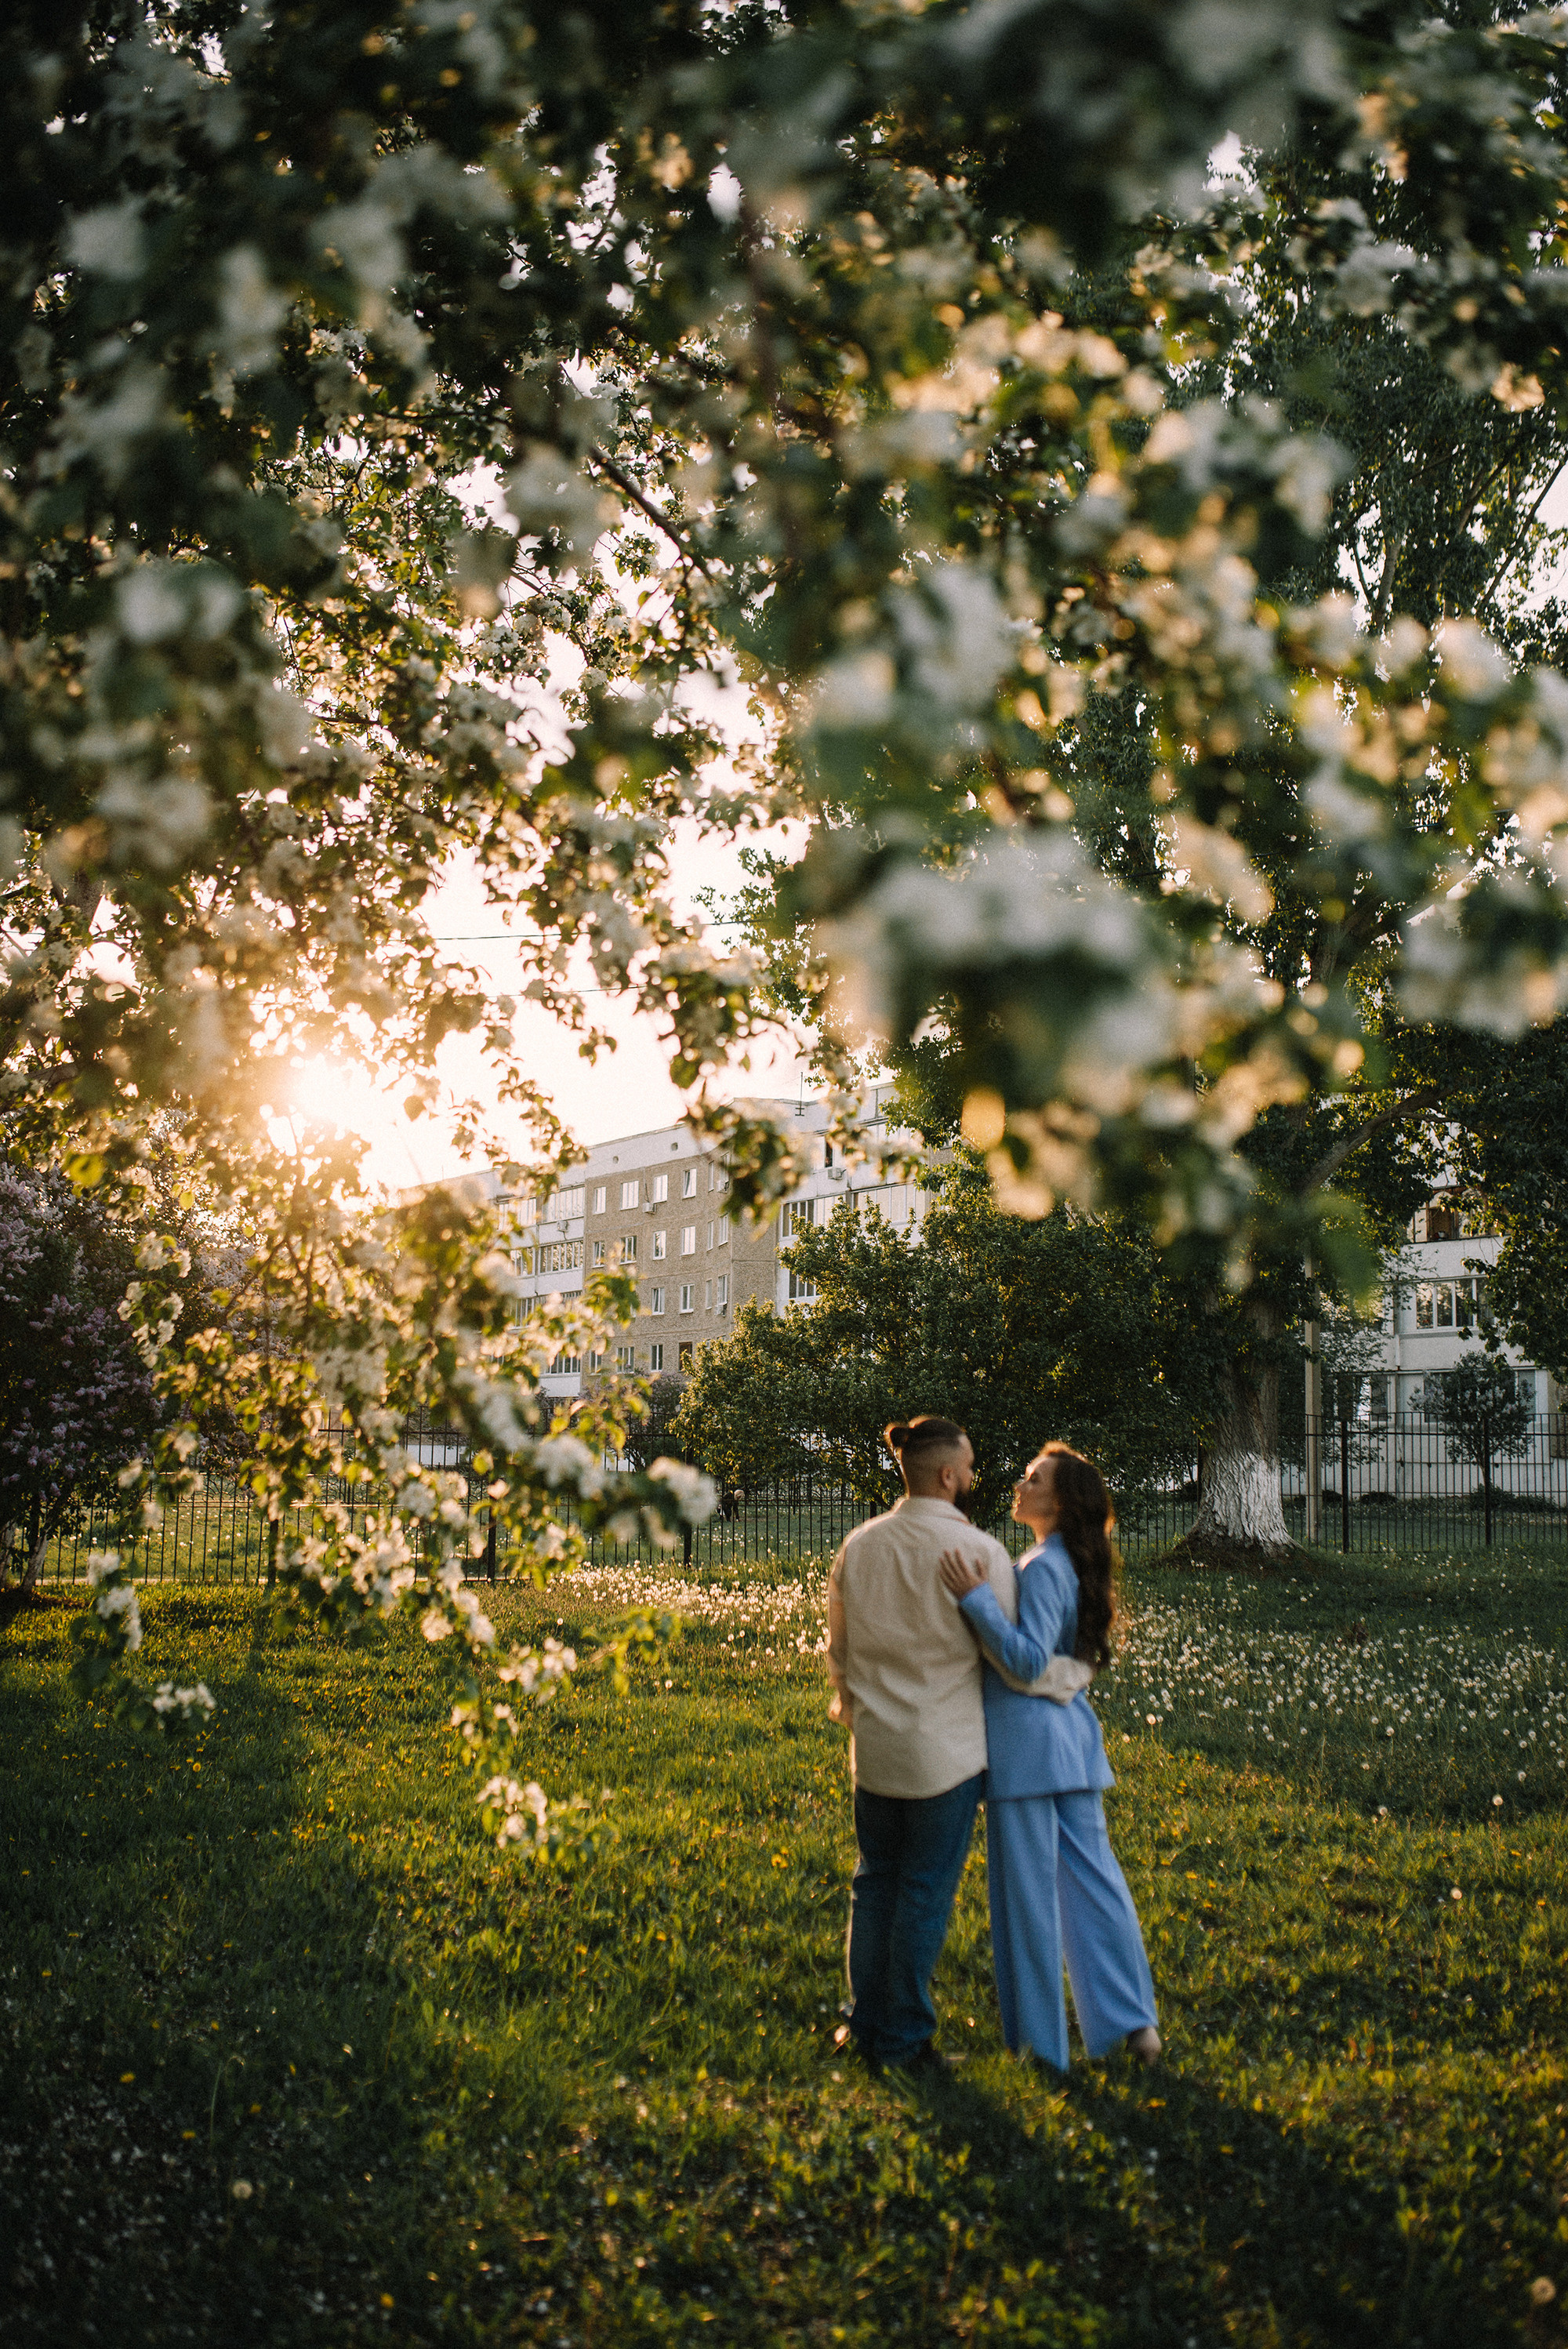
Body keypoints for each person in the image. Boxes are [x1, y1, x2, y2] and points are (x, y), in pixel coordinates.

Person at [826, 1414, 1085, 2074]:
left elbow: (839, 1648)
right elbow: (1014, 1664)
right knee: (922, 1893)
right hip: (946, 1756)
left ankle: (864, 2023)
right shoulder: (980, 1554)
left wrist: (852, 1707)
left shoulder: (859, 1545)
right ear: (947, 1476)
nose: (974, 1477)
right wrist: (1072, 1674)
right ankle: (904, 2039)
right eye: (968, 1467)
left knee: (873, 1884)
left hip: (875, 1749)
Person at [938, 1443, 1160, 2073]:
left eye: (1033, 1479)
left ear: (1059, 1502)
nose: (1020, 1483)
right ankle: (1132, 2026)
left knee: (1027, 1902)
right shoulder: (1073, 1563)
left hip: (1027, 1752)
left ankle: (1039, 2045)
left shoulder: (1040, 1566)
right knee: (1096, 1885)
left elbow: (1028, 1660)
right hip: (1071, 1744)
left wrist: (976, 1600)